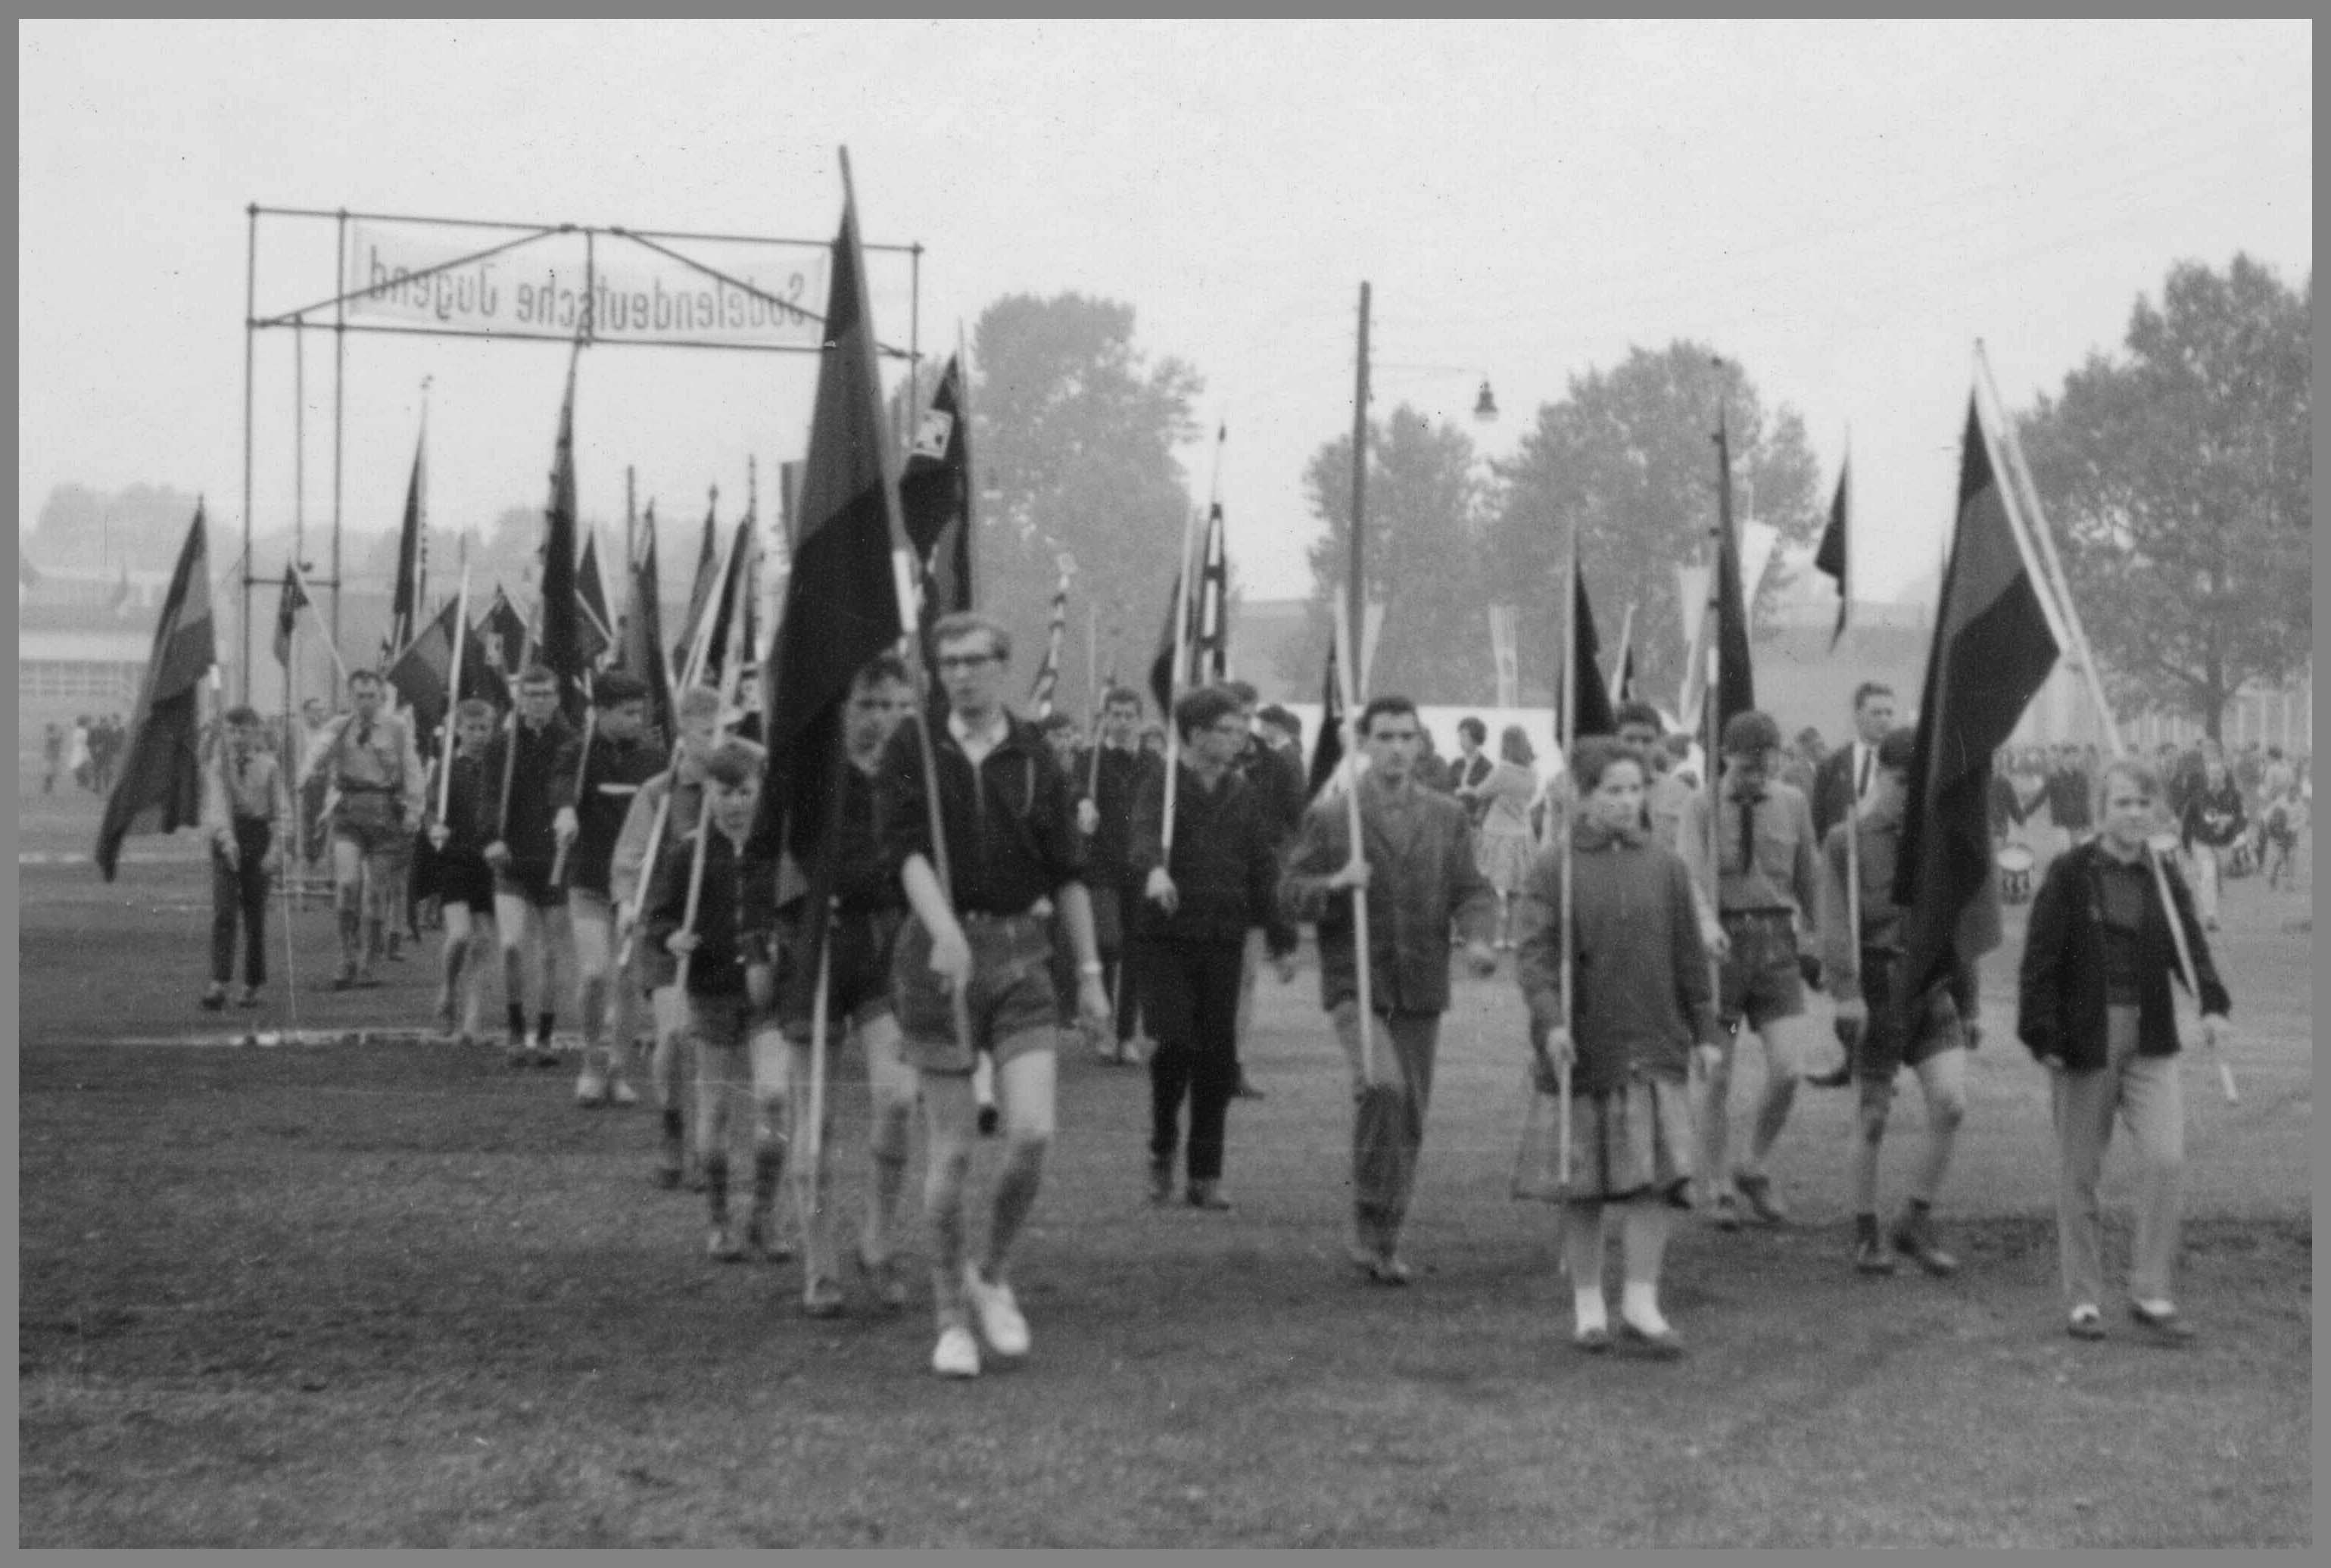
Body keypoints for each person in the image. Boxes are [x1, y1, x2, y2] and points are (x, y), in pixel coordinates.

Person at [877, 611, 1111, 1378]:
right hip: (935, 957)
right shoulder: (914, 744)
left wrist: (1089, 976)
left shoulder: (1035, 752)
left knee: (1033, 1133)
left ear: (1003, 666)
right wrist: (942, 929)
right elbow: (907, 852)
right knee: (950, 1153)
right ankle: (949, 1316)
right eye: (948, 663)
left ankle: (993, 1270)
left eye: (977, 660)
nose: (962, 674)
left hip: (1020, 952)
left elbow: (1067, 871)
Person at [1281, 694, 1498, 1285]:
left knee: (1409, 1115)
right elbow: (1289, 892)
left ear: (1421, 742)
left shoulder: (1446, 815)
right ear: (1364, 743)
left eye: (1407, 736)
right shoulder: (1333, 818)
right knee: (1382, 1086)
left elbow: (1472, 889)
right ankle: (1367, 1216)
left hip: (1420, 981)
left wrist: (1478, 938)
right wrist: (1333, 881)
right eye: (1384, 736)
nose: (1396, 747)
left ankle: (1385, 1237)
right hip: (1357, 980)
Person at [1514, 737, 1721, 1354]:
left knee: (1651, 1182)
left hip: (1655, 1044)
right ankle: (1587, 1306)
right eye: (1613, 790)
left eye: (1636, 789)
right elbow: (1533, 956)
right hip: (1582, 1047)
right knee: (1583, 1186)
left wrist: (1711, 1033)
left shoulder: (1667, 866)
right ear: (1582, 795)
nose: (1627, 802)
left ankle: (1640, 1301)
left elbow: (1691, 960)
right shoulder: (1554, 866)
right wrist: (1551, 1022)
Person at [2019, 758, 2231, 1343]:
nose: (2134, 813)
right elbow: (2038, 961)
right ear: (2099, 810)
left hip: (2151, 1032)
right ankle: (2083, 1297)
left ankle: (2151, 1290)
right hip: (2084, 1038)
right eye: (2122, 803)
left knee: (2166, 1158)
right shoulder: (2068, 872)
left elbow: (2189, 946)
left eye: (2143, 802)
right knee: (2079, 1172)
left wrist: (2211, 1002)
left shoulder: (2163, 873)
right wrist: (2042, 1033)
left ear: (2155, 810)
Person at [754, 652, 919, 1316]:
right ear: (843, 707)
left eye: (895, 706)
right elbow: (761, 850)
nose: (881, 719)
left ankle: (878, 1237)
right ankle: (819, 1263)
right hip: (815, 945)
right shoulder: (804, 769)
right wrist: (755, 937)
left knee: (900, 1099)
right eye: (868, 704)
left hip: (887, 947)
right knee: (813, 1121)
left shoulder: (916, 774)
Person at [1127, 684, 1300, 1210]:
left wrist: (1281, 937)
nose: (1237, 738)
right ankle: (1162, 1146)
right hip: (1167, 935)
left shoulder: (1242, 793)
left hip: (1223, 936)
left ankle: (1206, 1172)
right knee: (1175, 1042)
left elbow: (1261, 867)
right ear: (1196, 734)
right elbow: (1139, 837)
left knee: (1217, 1057)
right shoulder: (1162, 781)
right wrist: (1154, 870)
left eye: (1240, 729)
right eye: (1226, 730)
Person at [1818, 727, 1974, 1277]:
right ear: (1880, 776)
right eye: (1901, 782)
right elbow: (1833, 925)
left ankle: (1913, 1219)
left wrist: (1970, 1003)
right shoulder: (1846, 840)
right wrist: (1845, 994)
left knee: (1951, 1103)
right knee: (1873, 1115)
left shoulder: (1938, 839)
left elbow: (1959, 927)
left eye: (1920, 784)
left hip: (1931, 987)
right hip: (1875, 989)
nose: (1911, 794)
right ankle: (1864, 1233)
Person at [612, 686, 765, 1188]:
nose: (720, 740)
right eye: (708, 732)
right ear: (685, 733)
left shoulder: (746, 783)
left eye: (728, 729)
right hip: (668, 931)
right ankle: (672, 1125)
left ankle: (711, 1145)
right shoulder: (658, 792)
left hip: (722, 938)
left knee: (718, 1048)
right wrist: (627, 905)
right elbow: (630, 859)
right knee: (675, 1033)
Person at [1678, 709, 1825, 1230]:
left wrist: (1823, 943)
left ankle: (1752, 1163)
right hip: (1723, 960)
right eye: (1745, 767)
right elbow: (1691, 878)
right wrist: (1704, 925)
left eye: (1765, 766)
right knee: (1717, 1070)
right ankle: (1715, 1184)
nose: (1755, 777)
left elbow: (1811, 881)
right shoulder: (1699, 807)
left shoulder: (1792, 803)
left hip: (1775, 955)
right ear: (1725, 758)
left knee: (1788, 1068)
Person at [642, 740, 784, 1262]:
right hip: (711, 991)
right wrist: (670, 936)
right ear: (708, 793)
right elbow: (657, 916)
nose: (735, 804)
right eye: (724, 793)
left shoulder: (777, 851)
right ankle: (720, 1219)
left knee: (773, 1097)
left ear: (760, 791)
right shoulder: (689, 853)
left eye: (745, 792)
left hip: (770, 995)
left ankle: (764, 1214)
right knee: (716, 1107)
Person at [566, 672, 668, 1106]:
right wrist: (563, 813)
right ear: (601, 712)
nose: (637, 721)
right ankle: (591, 1061)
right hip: (588, 883)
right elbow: (559, 790)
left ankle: (620, 1069)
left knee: (627, 982)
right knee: (593, 975)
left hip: (634, 889)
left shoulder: (654, 759)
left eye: (640, 713)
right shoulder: (577, 754)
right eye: (627, 713)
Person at [476, 665, 581, 1068]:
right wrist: (490, 838)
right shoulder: (502, 745)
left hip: (556, 860)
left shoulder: (573, 743)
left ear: (556, 698)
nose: (538, 702)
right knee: (512, 946)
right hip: (512, 860)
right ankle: (517, 1029)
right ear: (520, 700)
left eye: (545, 694)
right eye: (531, 695)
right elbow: (487, 796)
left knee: (553, 954)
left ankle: (547, 1036)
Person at [298, 669, 426, 991]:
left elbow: (413, 772)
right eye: (359, 696)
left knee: (375, 893)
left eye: (371, 695)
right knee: (347, 884)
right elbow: (315, 753)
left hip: (385, 817)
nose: (365, 702)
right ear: (350, 697)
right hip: (348, 813)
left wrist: (414, 811)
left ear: (381, 697)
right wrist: (305, 775)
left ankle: (370, 959)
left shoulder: (397, 729)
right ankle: (346, 955)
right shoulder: (339, 727)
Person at [1223, 679, 1306, 1100]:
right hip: (1209, 884)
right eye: (1231, 710)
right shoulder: (1196, 761)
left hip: (1255, 882)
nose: (1239, 719)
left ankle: (1234, 1065)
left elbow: (1295, 821)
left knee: (1246, 979)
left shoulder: (1274, 764)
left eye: (1245, 710)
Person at [1074, 684, 1161, 1065]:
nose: (1122, 722)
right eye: (1116, 715)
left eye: (1129, 716)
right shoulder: (1089, 759)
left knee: (1135, 952)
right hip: (1101, 866)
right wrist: (1082, 803)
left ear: (1139, 720)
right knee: (1108, 942)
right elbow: (1072, 790)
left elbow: (1165, 805)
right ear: (1105, 718)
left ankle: (1125, 1035)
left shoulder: (1153, 762)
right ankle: (1101, 1019)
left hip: (1139, 866)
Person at [198, 706, 288, 1011]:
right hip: (226, 839)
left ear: (256, 732)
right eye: (232, 731)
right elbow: (217, 806)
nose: (238, 737)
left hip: (257, 837)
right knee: (224, 913)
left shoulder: (269, 766)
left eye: (244, 731)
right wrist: (227, 840)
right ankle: (218, 982)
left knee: (254, 915)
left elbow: (281, 812)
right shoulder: (217, 765)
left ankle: (252, 984)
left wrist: (276, 849)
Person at [421, 699, 500, 1046]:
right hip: (455, 859)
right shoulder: (446, 769)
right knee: (460, 936)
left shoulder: (499, 768)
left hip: (489, 861)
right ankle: (448, 990)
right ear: (459, 731)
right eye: (472, 728)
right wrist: (435, 826)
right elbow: (430, 810)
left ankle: (472, 1019)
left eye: (485, 728)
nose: (479, 735)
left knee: (483, 940)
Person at [1473, 725, 1541, 949]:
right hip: (1522, 833)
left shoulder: (1502, 771)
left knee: (1494, 888)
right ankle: (1512, 937)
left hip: (1497, 832)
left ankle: (1497, 936)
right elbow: (1531, 799)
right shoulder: (1532, 773)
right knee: (1516, 890)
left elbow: (1480, 792)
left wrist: (1466, 789)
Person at [1810, 681, 1896, 844]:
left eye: (1889, 713)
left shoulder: (1904, 766)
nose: (1884, 720)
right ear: (1857, 715)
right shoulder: (1831, 766)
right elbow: (1818, 826)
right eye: (1876, 713)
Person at [2179, 756, 2247, 932]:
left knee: (2216, 880)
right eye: (2211, 772)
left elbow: (2242, 819)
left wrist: (2230, 820)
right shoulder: (2198, 796)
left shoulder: (2234, 795)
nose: (2215, 776)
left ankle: (2210, 903)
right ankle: (2210, 916)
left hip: (2225, 844)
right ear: (2207, 775)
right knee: (2208, 877)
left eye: (2218, 772)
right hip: (2203, 843)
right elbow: (2187, 822)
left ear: (2224, 775)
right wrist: (2186, 847)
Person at [1451, 717, 1495, 826]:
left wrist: (1469, 791)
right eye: (1460, 735)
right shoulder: (1457, 764)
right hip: (1453, 818)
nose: (1460, 740)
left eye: (1464, 736)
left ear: (1475, 738)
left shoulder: (1487, 767)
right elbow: (1447, 787)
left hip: (1474, 821)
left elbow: (1487, 797)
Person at [70, 715, 93, 793]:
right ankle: (83, 781)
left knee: (79, 765)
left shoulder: (79, 731)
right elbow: (85, 741)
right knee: (80, 765)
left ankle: (83, 781)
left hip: (80, 749)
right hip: (81, 749)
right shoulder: (83, 731)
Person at [42, 722, 63, 794]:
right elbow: (57, 739)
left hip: (51, 757)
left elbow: (58, 740)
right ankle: (47, 788)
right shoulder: (50, 736)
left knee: (52, 773)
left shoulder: (50, 736)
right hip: (51, 757)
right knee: (50, 773)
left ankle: (48, 788)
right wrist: (61, 734)